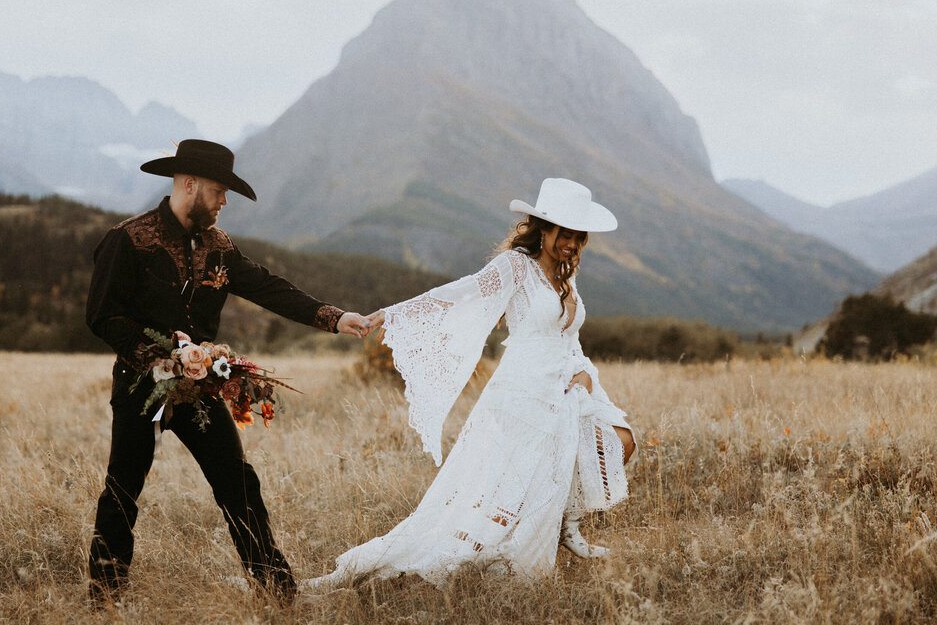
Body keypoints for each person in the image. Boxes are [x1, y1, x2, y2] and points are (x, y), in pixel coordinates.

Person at [306, 177, 636, 589]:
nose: (571, 242)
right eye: (564, 233)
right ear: (543, 228)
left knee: (619, 441)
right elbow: (458, 294)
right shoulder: (516, 267)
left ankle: (567, 523)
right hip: (524, 389)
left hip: (569, 382)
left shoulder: (567, 275)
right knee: (512, 484)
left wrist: (583, 370)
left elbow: (568, 335)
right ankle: (502, 544)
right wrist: (390, 314)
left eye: (578, 235)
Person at [85, 139, 372, 606]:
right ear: (189, 184)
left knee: (239, 485)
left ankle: (279, 594)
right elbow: (102, 315)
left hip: (200, 392)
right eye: (219, 191)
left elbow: (269, 288)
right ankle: (104, 598)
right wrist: (156, 358)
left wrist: (334, 318)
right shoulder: (128, 239)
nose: (223, 202)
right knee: (123, 490)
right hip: (142, 389)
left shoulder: (219, 247)